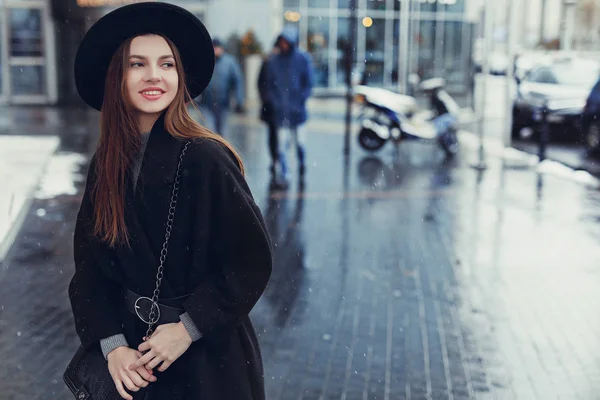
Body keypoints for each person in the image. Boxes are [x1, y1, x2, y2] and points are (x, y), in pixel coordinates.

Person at [68, 3, 272, 400]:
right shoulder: (108, 161)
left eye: (166, 65)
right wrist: (112, 346)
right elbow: (90, 268)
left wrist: (187, 328)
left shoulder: (205, 157)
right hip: (132, 359)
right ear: (116, 77)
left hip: (207, 361)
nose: (154, 76)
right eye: (137, 64)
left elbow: (249, 261)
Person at [265, 26, 314, 182]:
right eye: (282, 41)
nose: (284, 44)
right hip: (281, 113)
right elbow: (269, 85)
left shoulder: (303, 59)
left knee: (300, 144)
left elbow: (309, 84)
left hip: (298, 112)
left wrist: (300, 101)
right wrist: (275, 102)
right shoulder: (274, 61)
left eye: (287, 41)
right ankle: (285, 174)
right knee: (281, 147)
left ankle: (301, 164)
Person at [196, 38, 245, 135]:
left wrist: (239, 100)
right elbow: (196, 79)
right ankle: (211, 149)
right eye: (214, 47)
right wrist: (195, 96)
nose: (216, 50)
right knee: (209, 130)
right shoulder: (205, 61)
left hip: (224, 103)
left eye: (218, 48)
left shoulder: (230, 62)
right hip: (206, 103)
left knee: (222, 131)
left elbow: (238, 81)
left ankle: (220, 149)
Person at [257, 43, 288, 189]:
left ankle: (278, 163)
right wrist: (268, 99)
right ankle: (276, 161)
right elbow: (261, 83)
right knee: (274, 137)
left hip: (281, 108)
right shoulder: (268, 62)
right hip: (271, 109)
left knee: (278, 138)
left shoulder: (280, 63)